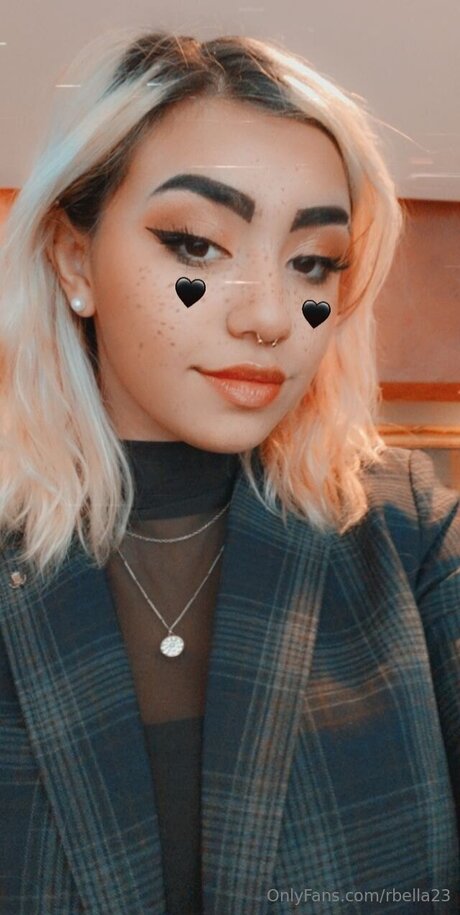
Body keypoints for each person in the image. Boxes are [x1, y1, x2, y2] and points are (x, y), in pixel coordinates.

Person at [0, 27, 458, 915]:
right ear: (73, 259)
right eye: (198, 246)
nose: (271, 316)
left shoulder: (411, 538)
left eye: (312, 262)